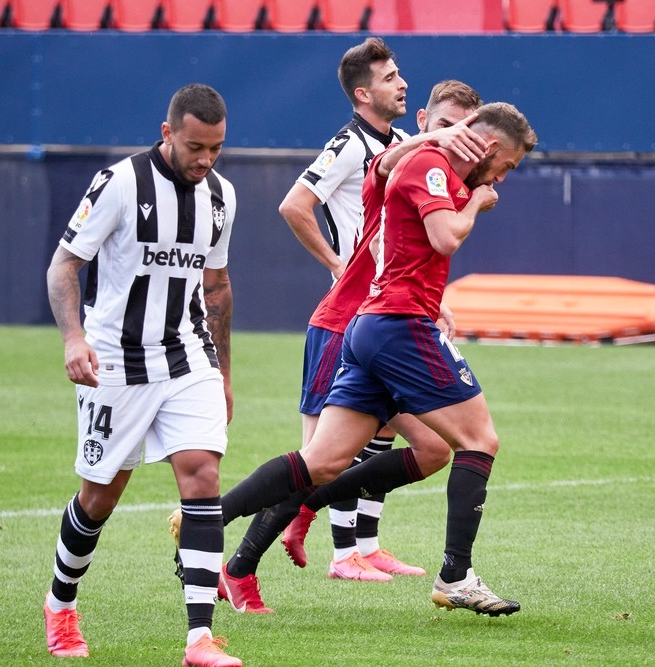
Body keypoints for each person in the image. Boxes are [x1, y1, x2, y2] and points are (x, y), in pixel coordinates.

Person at [215, 102, 536, 616]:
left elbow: (387, 179)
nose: (501, 176)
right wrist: (475, 199)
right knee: (479, 440)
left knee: (335, 460)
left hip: (374, 322)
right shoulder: (425, 166)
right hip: (383, 323)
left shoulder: (411, 164)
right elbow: (442, 232)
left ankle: (216, 518)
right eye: (507, 165)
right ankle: (453, 573)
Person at [273, 39, 487, 582]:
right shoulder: (349, 145)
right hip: (352, 311)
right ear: (364, 92)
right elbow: (295, 205)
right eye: (391, 76)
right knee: (325, 448)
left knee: (388, 432)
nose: (402, 81)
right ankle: (290, 546)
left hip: (390, 308)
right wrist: (337, 263)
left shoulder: (409, 144)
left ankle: (363, 545)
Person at [43, 84, 242, 666]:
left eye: (217, 148)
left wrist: (224, 373)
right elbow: (65, 265)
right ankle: (61, 605)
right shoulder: (120, 183)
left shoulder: (224, 196)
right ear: (167, 133)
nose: (206, 160)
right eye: (195, 146)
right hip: (116, 362)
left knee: (203, 473)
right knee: (100, 497)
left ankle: (199, 639)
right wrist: (74, 338)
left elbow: (218, 285)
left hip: (187, 354)